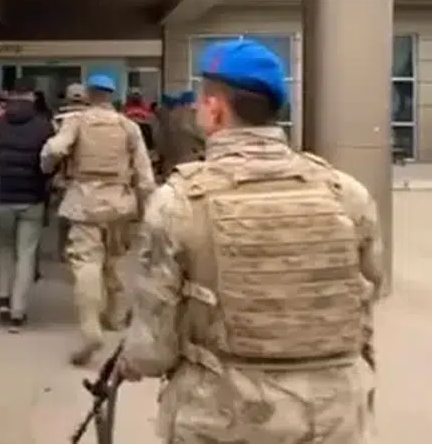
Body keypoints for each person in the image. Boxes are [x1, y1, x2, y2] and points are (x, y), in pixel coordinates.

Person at [118, 38, 381, 443]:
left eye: (201, 100)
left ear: (215, 109)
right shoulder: (345, 192)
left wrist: (131, 362)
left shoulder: (178, 202)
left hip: (225, 415)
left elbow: (153, 349)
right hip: (334, 414)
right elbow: (367, 289)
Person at [41, 73, 154, 366]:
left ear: (90, 94)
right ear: (112, 95)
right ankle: (115, 316)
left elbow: (55, 149)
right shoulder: (128, 125)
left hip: (84, 202)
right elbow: (145, 175)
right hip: (120, 203)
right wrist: (146, 209)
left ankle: (91, 329)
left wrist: (47, 164)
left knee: (87, 263)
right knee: (116, 260)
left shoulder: (76, 121)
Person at [0, 77, 55, 331]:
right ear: (32, 97)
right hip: (32, 198)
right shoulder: (44, 126)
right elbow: (49, 163)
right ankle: (19, 310)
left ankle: (3, 298)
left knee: (4, 249)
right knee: (26, 253)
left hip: (1, 197)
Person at [49, 83, 89, 262]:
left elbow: (53, 148)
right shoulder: (93, 118)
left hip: (65, 173)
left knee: (64, 215)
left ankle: (62, 249)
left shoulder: (58, 119)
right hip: (87, 173)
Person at [163, 89, 205, 173]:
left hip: (173, 162)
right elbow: (202, 136)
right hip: (189, 161)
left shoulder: (170, 116)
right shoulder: (190, 116)